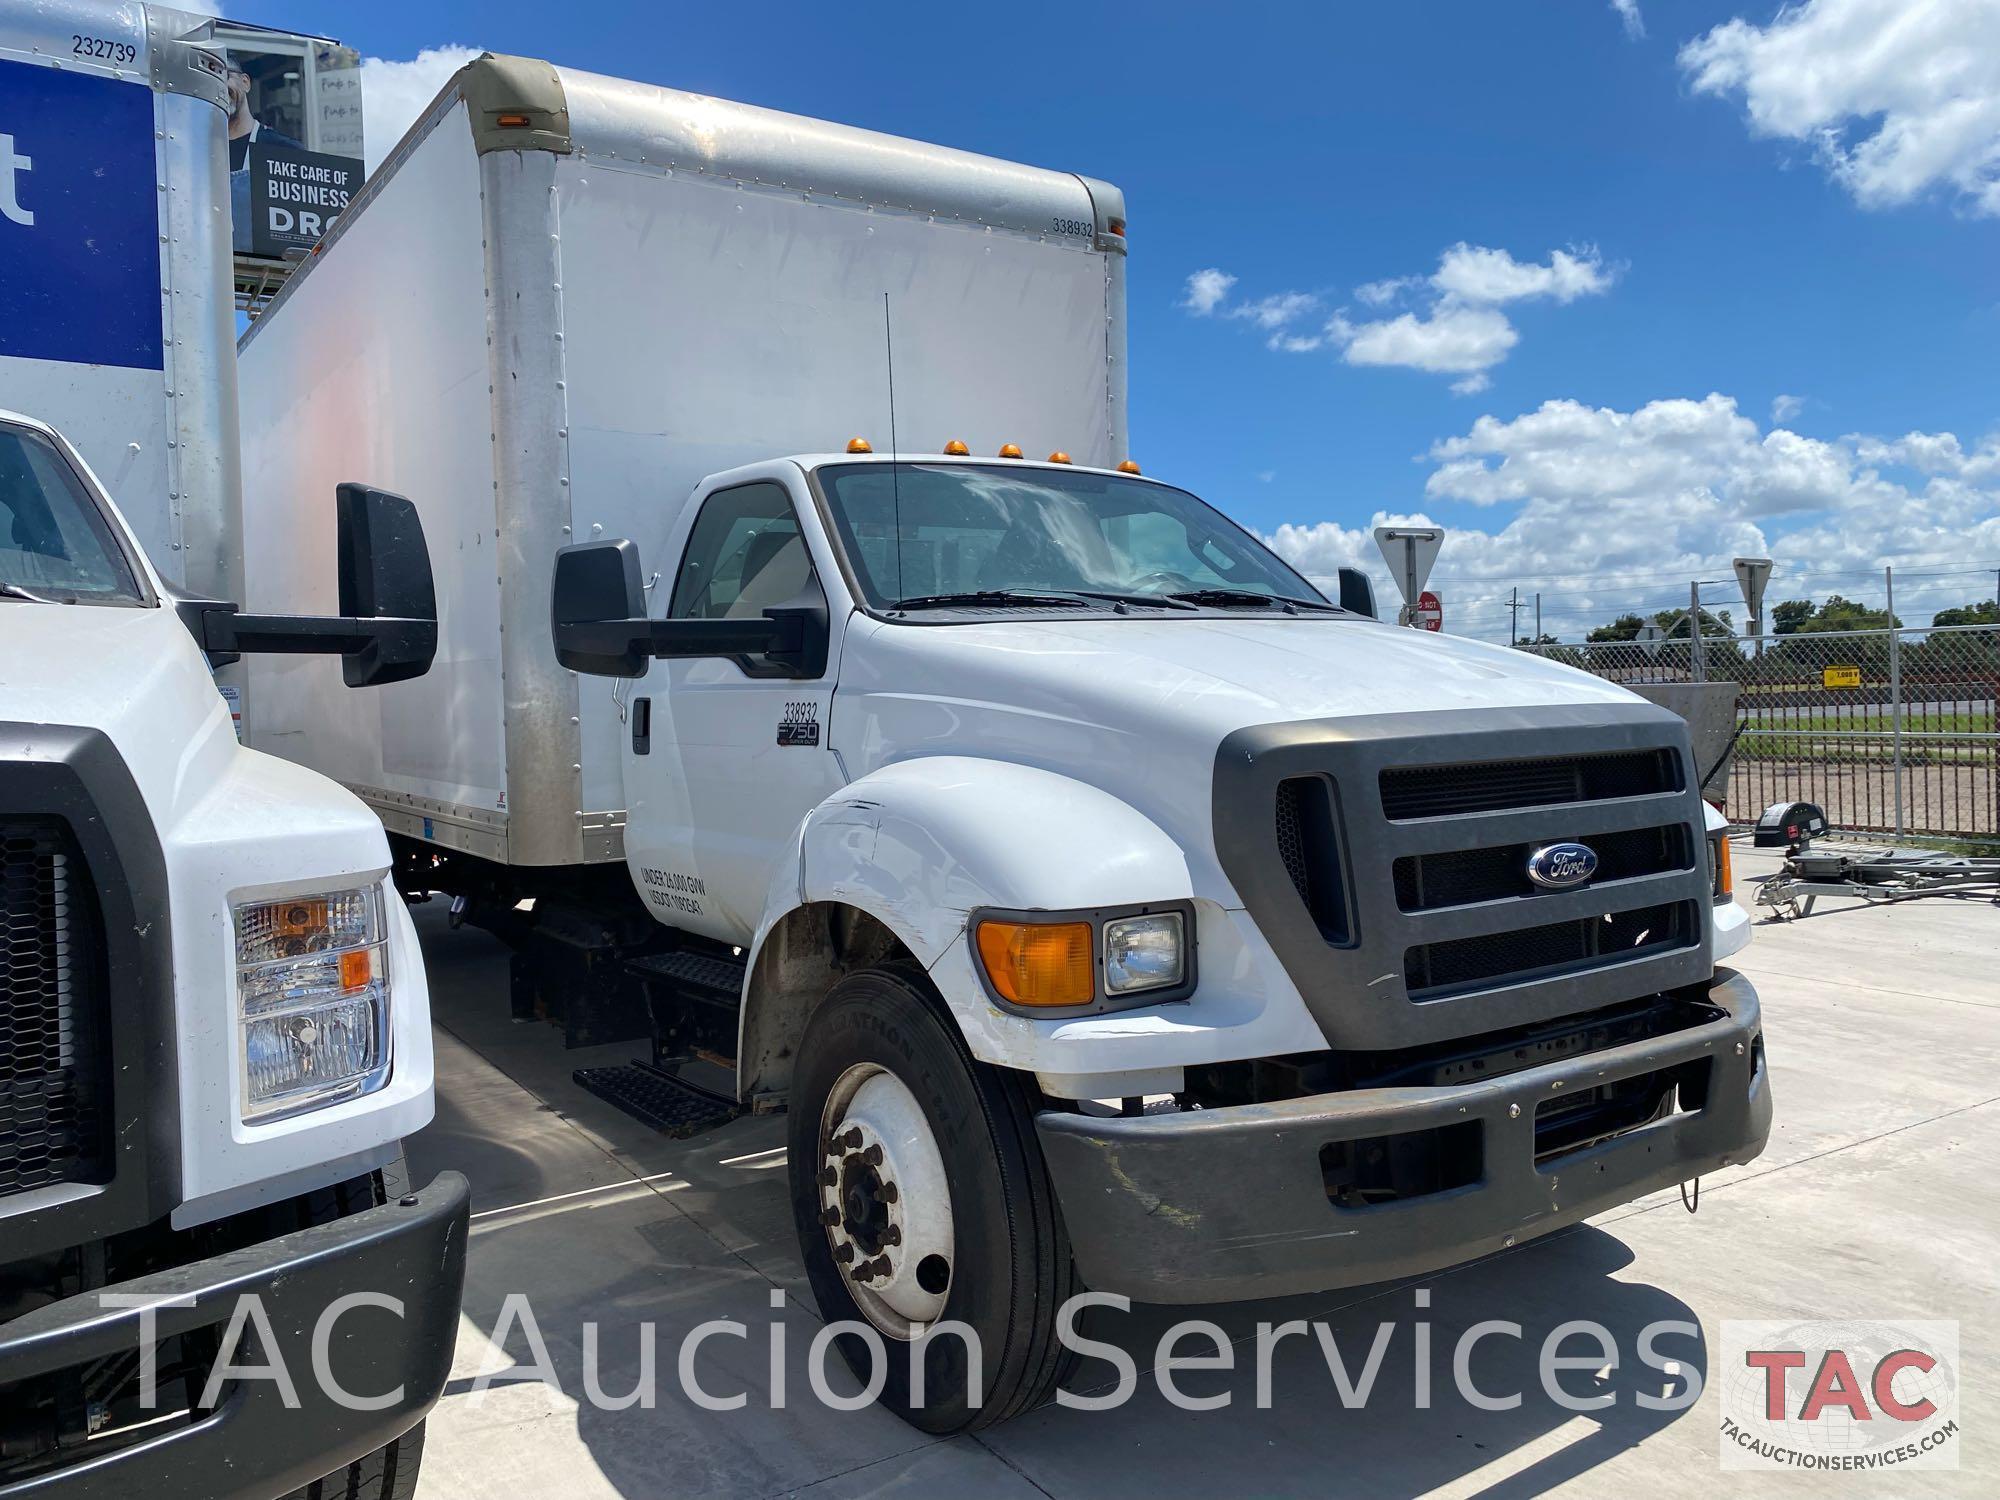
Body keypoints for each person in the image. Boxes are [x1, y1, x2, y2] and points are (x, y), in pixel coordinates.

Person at [225, 60, 304, 171]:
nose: (218, 87)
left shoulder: (284, 150)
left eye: (223, 76)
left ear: (245, 82)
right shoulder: (198, 152)